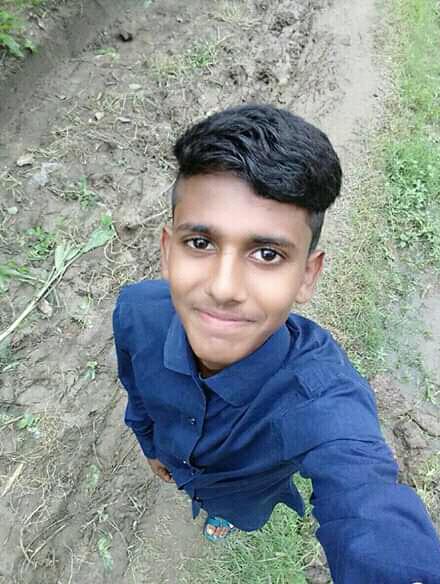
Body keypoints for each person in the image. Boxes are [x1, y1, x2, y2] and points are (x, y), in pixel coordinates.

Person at [113, 104, 440, 583]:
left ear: (307, 275)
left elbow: (367, 501)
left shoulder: (324, 398)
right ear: (167, 251)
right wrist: (149, 444)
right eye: (200, 243)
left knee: (238, 512)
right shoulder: (136, 310)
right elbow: (136, 389)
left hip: (245, 495)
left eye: (267, 254)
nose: (224, 288)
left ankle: (224, 517)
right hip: (171, 454)